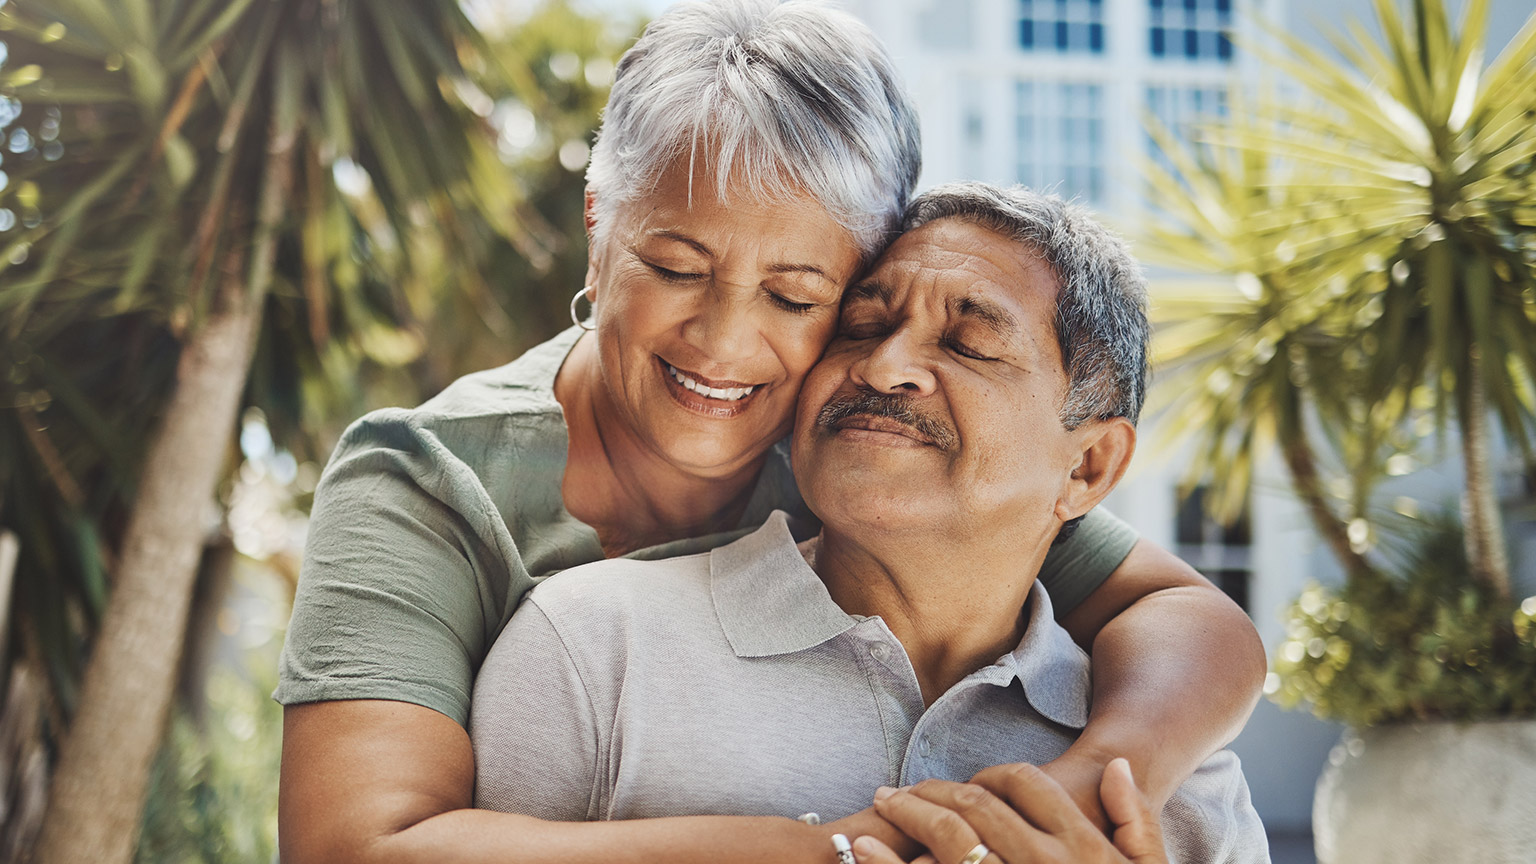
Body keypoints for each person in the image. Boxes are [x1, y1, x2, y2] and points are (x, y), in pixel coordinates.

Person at [275, 2, 1266, 861]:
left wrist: (1085, 790)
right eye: (673, 267)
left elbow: (1196, 624)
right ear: (597, 223)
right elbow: (351, 847)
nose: (723, 340)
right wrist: (845, 848)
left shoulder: (868, 457)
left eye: (798, 296)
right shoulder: (437, 485)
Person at [468, 183, 1268, 864]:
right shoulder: (589, 646)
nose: (885, 367)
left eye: (969, 344)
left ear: (1086, 468)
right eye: (860, 327)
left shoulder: (1174, 778)